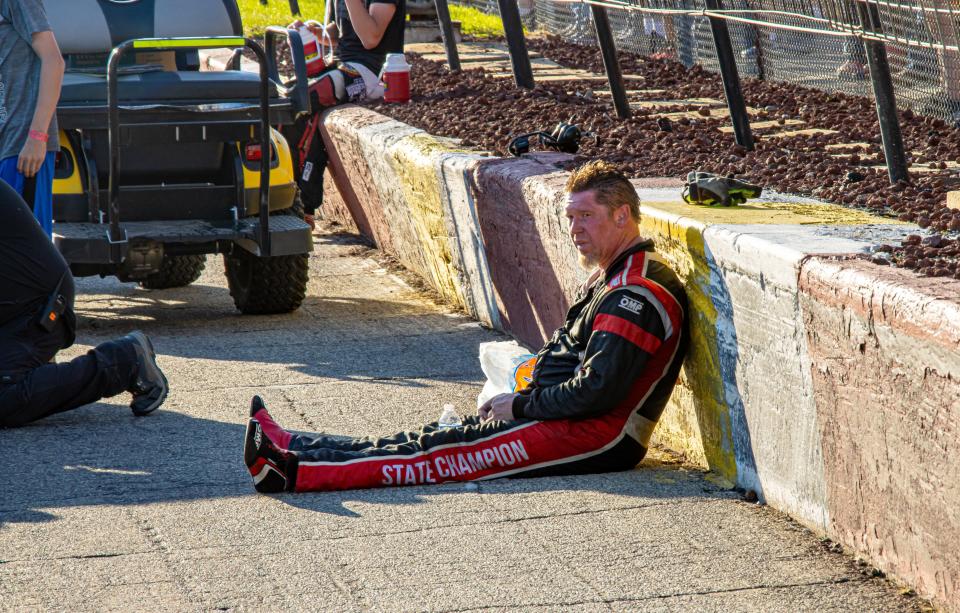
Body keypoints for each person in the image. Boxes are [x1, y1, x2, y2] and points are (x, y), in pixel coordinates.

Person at [243, 160, 689, 493]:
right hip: (561, 418)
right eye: (570, 217)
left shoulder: (634, 294)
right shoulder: (613, 275)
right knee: (432, 438)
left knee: (437, 457)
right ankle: (294, 445)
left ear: (622, 216)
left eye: (585, 217)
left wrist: (519, 407)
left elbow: (597, 393)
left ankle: (292, 471)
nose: (574, 229)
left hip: (596, 437)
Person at [0, 179, 168, 427]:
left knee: (5, 399)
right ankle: (37, 370)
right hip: (17, 309)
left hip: (38, 308)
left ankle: (125, 359)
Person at [283, 0, 407, 229]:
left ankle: (302, 206)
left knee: (303, 100)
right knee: (283, 98)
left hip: (373, 72)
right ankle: (288, 201)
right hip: (342, 64)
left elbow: (370, 38)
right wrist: (318, 33)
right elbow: (344, 31)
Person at [0, 0, 65, 238]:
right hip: (5, 144)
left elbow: (54, 61)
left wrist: (37, 136)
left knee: (26, 253)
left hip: (24, 150)